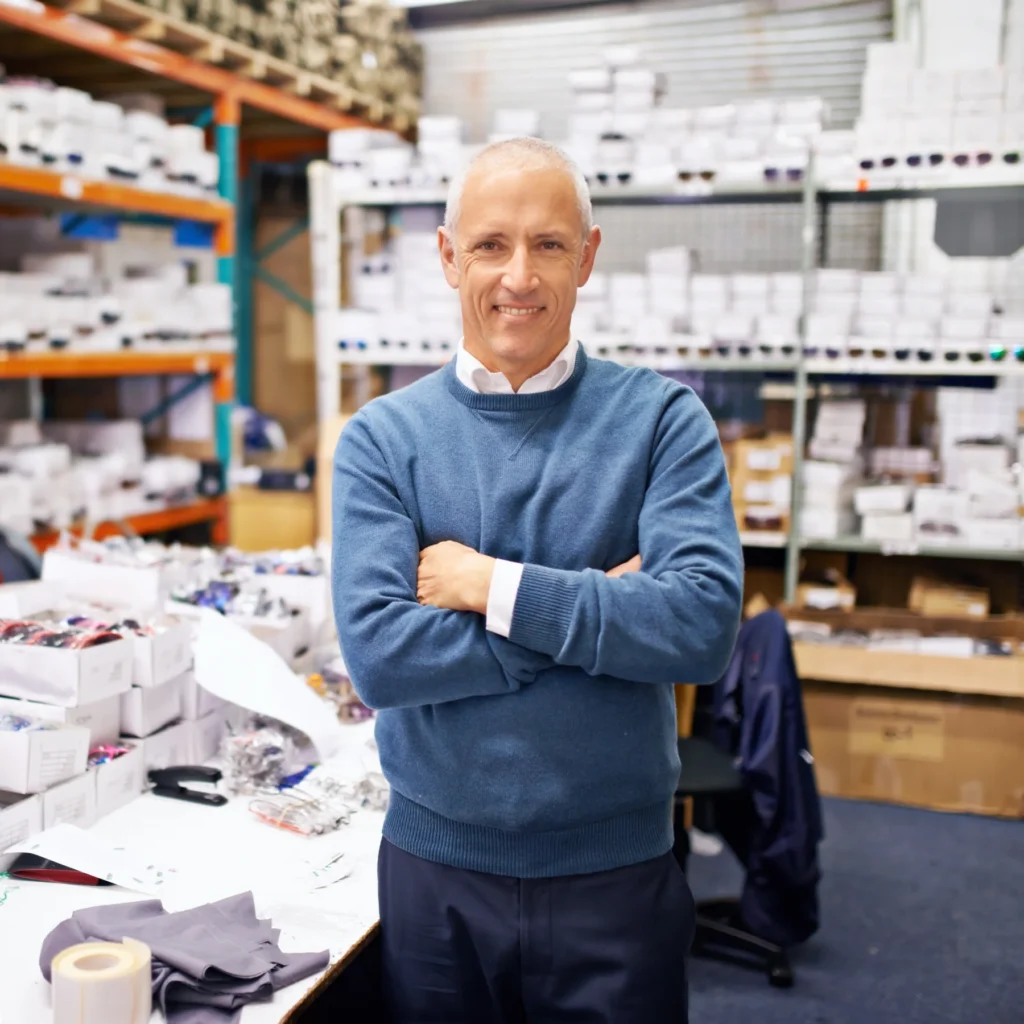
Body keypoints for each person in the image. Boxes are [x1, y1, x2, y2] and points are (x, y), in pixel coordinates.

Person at [332, 137, 744, 1024]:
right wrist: (600, 608)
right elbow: (381, 658)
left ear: (587, 257)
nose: (519, 275)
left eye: (549, 244)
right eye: (491, 245)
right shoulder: (381, 440)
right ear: (448, 257)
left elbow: (701, 628)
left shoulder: (663, 421)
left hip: (616, 874)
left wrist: (488, 584)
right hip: (434, 870)